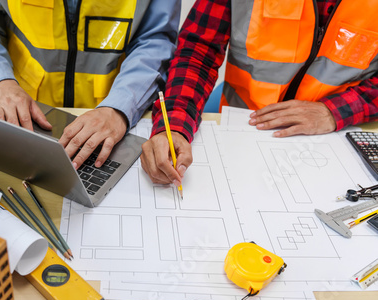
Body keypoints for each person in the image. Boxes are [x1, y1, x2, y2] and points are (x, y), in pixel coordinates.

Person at [141, 0, 378, 186]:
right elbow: (199, 50)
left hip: (333, 141)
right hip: (243, 132)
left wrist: (334, 111)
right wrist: (174, 126)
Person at [0, 0, 179, 169]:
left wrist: (120, 107)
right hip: (15, 107)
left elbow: (155, 40)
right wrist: (0, 82)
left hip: (109, 118)